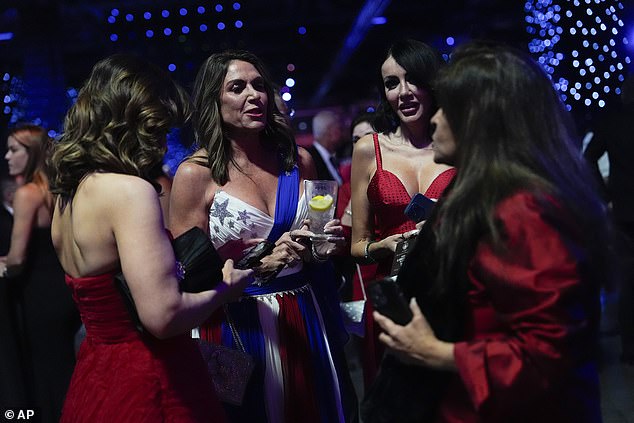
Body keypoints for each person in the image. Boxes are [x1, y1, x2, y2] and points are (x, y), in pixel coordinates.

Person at [370, 41, 609, 423]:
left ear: (480, 119)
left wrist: (436, 352)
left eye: (447, 107)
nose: (434, 119)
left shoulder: (523, 211)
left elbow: (549, 352)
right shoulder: (485, 195)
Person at [48, 54, 252, 422]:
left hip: (96, 371)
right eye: (158, 129)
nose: (161, 143)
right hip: (149, 377)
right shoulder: (130, 192)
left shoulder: (66, 196)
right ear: (135, 121)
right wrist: (225, 290)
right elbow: (162, 316)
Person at [168, 49, 357, 423]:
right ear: (213, 101)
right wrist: (258, 265)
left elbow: (316, 244)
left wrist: (322, 245)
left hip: (305, 314)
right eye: (237, 87)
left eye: (259, 86)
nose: (254, 95)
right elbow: (186, 274)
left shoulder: (297, 159)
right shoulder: (194, 175)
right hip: (236, 325)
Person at [349, 38, 455, 386]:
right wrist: (385, 245)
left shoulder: (459, 143)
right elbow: (357, 245)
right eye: (392, 84)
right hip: (392, 299)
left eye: (412, 80)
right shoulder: (370, 149)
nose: (403, 92)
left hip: (449, 291)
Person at [1, 124, 80, 420]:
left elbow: (18, 259)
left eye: (14, 150)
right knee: (64, 368)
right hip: (64, 289)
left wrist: (2, 263)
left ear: (31, 153)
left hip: (37, 294)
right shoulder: (61, 188)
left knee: (45, 375)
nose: (7, 156)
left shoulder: (27, 194)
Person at [584, 75, 634, 364]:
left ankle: (629, 346)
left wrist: (606, 194)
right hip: (624, 208)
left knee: (628, 278)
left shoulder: (612, 120)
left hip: (625, 208)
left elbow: (589, 158)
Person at [307, 110, 345, 184]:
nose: (342, 133)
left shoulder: (332, 157)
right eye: (339, 128)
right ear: (330, 131)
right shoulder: (310, 160)